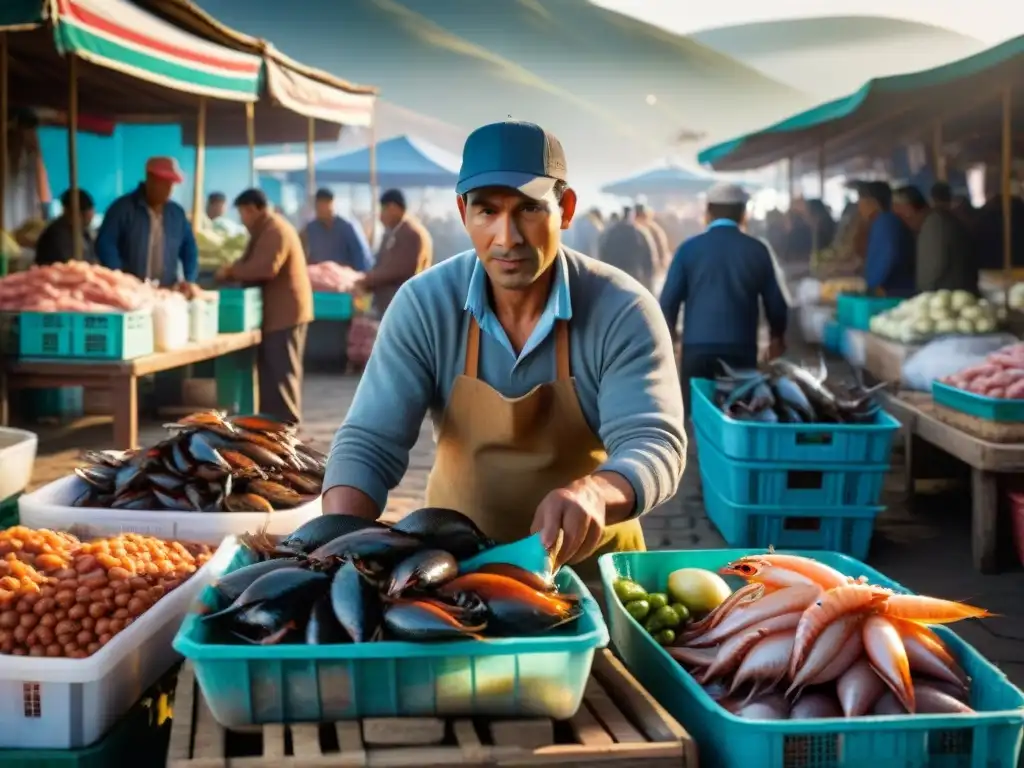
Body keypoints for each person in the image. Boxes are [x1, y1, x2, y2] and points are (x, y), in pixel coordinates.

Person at [322, 120, 686, 578]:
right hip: (454, 575)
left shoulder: (622, 309)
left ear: (565, 207)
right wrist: (335, 543)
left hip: (594, 574)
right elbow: (370, 442)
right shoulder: (425, 305)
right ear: (463, 212)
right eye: (487, 211)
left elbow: (653, 443)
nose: (507, 236)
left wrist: (595, 494)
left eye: (529, 209)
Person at [659, 183, 789, 416]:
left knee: (697, 415)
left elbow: (668, 302)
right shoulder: (757, 250)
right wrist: (777, 337)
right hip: (741, 349)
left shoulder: (688, 249)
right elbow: (776, 303)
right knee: (741, 413)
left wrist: (672, 338)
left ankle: (699, 451)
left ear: (707, 213)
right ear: (743, 214)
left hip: (696, 349)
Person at [216, 188, 314, 426]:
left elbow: (264, 268)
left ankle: (287, 425)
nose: (242, 219)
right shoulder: (265, 229)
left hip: (286, 313)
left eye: (242, 213)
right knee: (271, 373)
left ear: (253, 209)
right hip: (277, 313)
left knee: (282, 372)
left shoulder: (275, 229)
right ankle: (273, 425)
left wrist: (231, 271)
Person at [94, 156, 198, 286]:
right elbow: (105, 244)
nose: (169, 189)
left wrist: (189, 279)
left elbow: (189, 248)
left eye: (171, 184)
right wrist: (118, 277)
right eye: (164, 183)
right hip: (131, 289)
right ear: (150, 179)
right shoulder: (122, 208)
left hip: (167, 289)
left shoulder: (177, 214)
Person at [354, 189, 433, 315]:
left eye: (383, 210)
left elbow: (400, 270)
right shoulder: (393, 232)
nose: (380, 216)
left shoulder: (411, 233)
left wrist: (366, 279)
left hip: (405, 306)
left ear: (393, 208)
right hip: (388, 305)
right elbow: (381, 264)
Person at [914, 183, 978, 293]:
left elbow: (935, 262)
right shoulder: (955, 219)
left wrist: (924, 289)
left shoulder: (936, 222)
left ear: (932, 198)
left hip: (944, 291)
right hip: (961, 288)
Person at [860, 181, 916, 297]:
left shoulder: (886, 223)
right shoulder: (882, 222)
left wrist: (877, 285)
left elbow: (888, 257)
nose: (859, 207)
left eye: (861, 202)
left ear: (873, 202)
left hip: (892, 292)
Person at [301, 188, 372, 270]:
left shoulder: (347, 227)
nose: (321, 209)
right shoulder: (311, 229)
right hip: (319, 276)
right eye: (318, 205)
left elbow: (362, 258)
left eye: (324, 204)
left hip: (345, 276)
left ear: (332, 203)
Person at [597, 205, 658, 293]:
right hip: (634, 278)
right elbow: (649, 261)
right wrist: (650, 288)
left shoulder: (609, 233)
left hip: (613, 277)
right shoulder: (640, 233)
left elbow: (602, 255)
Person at [34, 189, 95, 266]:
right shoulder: (57, 233)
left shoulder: (84, 231)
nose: (91, 217)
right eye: (85, 216)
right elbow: (69, 262)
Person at [635, 202, 671, 274]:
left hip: (650, 270)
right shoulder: (632, 230)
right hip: (639, 269)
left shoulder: (654, 231)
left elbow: (661, 251)